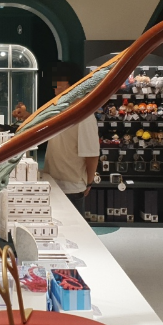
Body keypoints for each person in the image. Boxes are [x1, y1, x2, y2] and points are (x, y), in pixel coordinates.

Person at [42, 62, 100, 215]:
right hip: (52, 181)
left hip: (71, 188)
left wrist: (89, 183)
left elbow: (92, 155)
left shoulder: (84, 116)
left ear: (70, 84)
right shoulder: (60, 110)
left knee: (74, 227)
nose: (54, 86)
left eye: (58, 81)